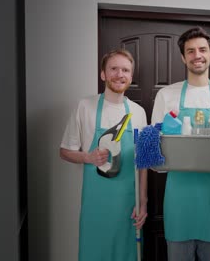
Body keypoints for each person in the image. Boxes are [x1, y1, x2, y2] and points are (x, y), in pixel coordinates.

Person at [151, 26, 210, 261]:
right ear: (183, 57)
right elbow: (150, 149)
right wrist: (154, 159)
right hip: (179, 199)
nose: (196, 55)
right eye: (190, 51)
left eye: (202, 49)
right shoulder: (166, 95)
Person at [60, 48, 148, 261]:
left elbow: (142, 162)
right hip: (96, 207)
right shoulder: (85, 107)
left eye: (125, 70)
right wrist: (87, 157)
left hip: (128, 206)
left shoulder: (138, 112)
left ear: (131, 76)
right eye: (114, 69)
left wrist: (143, 201)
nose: (120, 74)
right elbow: (64, 151)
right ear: (103, 74)